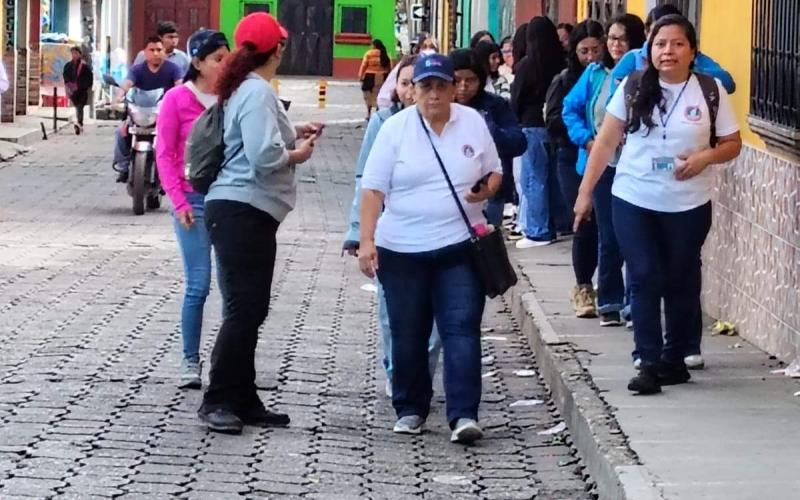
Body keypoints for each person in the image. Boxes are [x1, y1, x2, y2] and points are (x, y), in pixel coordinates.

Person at [573, 15, 742, 394]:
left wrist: (703, 158)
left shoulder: (710, 89)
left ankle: (674, 358)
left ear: (692, 51)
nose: (668, 51)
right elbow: (604, 141)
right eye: (660, 44)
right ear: (649, 50)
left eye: (678, 44)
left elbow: (733, 142)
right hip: (634, 196)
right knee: (645, 273)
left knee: (681, 277)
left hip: (689, 203)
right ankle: (647, 361)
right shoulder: (633, 86)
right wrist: (585, 193)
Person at [359, 54, 502, 444]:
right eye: (425, 86)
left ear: (454, 88)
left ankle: (463, 414)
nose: (434, 94)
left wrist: (486, 188)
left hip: (458, 246)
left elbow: (495, 170)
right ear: (411, 91)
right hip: (402, 250)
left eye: (441, 85)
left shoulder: (471, 122)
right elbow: (372, 188)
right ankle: (410, 408)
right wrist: (366, 240)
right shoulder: (395, 130)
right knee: (408, 332)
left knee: (461, 329)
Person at [197, 12, 322, 433]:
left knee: (251, 307)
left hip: (245, 212)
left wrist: (295, 130)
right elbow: (263, 156)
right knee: (243, 308)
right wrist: (296, 154)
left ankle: (244, 396)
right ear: (278, 50)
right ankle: (216, 400)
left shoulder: (248, 89)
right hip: (240, 210)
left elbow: (258, 138)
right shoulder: (255, 92)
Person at [343, 55, 443, 398]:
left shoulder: (453, 124)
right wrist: (359, 232)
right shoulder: (384, 123)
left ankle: (420, 375)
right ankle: (397, 371)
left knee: (436, 323)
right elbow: (365, 180)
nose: (411, 90)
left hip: (440, 235)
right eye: (405, 82)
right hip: (392, 234)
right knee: (393, 312)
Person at [155, 29, 230, 390]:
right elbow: (164, 154)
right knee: (198, 285)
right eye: (218, 58)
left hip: (230, 201)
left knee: (236, 289)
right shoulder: (175, 100)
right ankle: (189, 360)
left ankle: (233, 365)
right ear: (197, 62)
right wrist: (178, 200)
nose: (225, 64)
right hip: (193, 203)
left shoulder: (232, 98)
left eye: (227, 57)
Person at [562, 14, 647, 327]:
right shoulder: (595, 74)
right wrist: (586, 140)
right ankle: (610, 299)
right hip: (601, 166)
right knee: (608, 235)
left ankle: (635, 301)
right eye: (610, 38)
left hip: (635, 166)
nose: (614, 45)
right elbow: (569, 109)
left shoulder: (645, 75)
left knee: (635, 236)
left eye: (621, 39)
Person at [545, 20, 604, 318]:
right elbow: (555, 118)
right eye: (584, 51)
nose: (591, 57)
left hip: (605, 160)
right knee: (584, 220)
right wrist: (585, 137)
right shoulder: (566, 80)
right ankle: (583, 287)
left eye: (596, 49)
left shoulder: (610, 78)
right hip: (572, 159)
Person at [511, 17, 570, 249]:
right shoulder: (562, 63)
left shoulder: (527, 65)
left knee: (534, 179)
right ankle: (560, 222)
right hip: (555, 127)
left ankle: (538, 230)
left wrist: (514, 119)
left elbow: (516, 99)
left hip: (531, 126)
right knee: (554, 178)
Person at [450, 48, 526, 227]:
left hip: (490, 189)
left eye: (470, 80)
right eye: (457, 80)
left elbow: (519, 141)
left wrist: (491, 132)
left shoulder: (494, 105)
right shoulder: (440, 106)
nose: (463, 87)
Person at [611, 5, 736, 96]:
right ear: (647, 33)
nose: (667, 48)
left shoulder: (692, 57)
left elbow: (728, 84)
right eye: (658, 35)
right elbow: (612, 102)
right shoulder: (633, 59)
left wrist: (687, 70)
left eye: (675, 40)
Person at [113, 36, 184, 183]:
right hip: (138, 113)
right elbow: (126, 85)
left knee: (177, 137)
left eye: (159, 50)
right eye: (152, 50)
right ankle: (123, 166)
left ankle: (171, 170)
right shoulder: (137, 70)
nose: (156, 53)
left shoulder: (173, 69)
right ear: (145, 52)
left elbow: (180, 86)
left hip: (164, 114)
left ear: (164, 51)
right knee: (120, 132)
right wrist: (117, 98)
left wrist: (180, 101)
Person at [377, 35, 438, 109]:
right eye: (424, 47)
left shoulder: (437, 67)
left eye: (432, 47)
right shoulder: (405, 66)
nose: (428, 50)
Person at [62, 45, 93, 135]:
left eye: (76, 53)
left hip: (82, 90)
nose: (74, 55)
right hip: (73, 91)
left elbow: (89, 78)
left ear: (80, 54)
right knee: (76, 106)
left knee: (80, 106)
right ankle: (78, 123)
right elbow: (65, 76)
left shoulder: (84, 66)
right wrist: (69, 85)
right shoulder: (68, 66)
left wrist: (85, 86)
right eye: (73, 53)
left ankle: (79, 123)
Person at [358, 39, 392, 120]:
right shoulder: (385, 54)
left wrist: (360, 76)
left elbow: (364, 65)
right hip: (383, 77)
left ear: (374, 45)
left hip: (370, 77)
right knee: (380, 94)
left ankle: (368, 113)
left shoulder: (369, 54)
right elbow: (390, 67)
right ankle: (378, 112)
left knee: (368, 94)